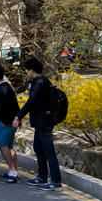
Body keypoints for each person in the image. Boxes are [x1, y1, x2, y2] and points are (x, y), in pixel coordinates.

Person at [13, 58, 62, 190]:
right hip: (40, 122)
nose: (26, 73)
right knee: (39, 149)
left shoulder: (41, 82)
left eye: (27, 70)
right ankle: (42, 177)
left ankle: (56, 181)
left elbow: (31, 102)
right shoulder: (36, 82)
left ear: (31, 70)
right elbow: (27, 95)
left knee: (48, 151)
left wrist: (18, 116)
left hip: (45, 121)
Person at [0, 63, 20, 183]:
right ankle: (14, 170)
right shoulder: (7, 86)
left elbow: (0, 108)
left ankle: (12, 170)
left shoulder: (1, 89)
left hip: (5, 121)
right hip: (12, 120)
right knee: (9, 146)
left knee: (2, 144)